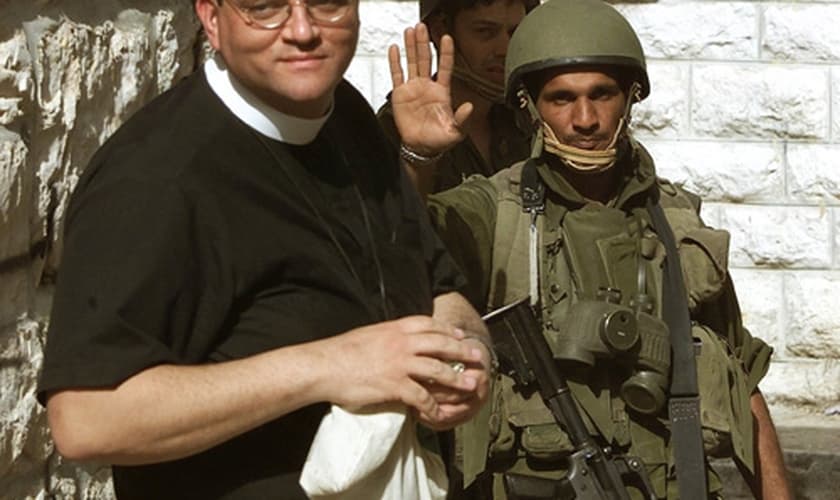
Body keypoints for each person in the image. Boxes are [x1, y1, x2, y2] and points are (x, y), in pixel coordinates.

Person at [36, 1, 493, 498]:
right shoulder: (154, 181)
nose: (302, 30)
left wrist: (462, 355)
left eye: (326, 3)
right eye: (264, 8)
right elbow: (86, 418)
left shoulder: (346, 117)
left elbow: (433, 282)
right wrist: (328, 367)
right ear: (211, 18)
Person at [392, 0, 793, 498]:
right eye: (561, 99)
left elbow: (742, 376)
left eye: (602, 94)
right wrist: (419, 158)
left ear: (631, 97)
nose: (585, 119)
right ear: (531, 107)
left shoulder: (675, 220)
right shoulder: (495, 208)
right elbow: (402, 241)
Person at [378, 0, 536, 195]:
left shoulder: (529, 118)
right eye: (485, 32)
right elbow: (395, 219)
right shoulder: (395, 129)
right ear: (440, 31)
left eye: (514, 33)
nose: (504, 49)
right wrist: (419, 157)